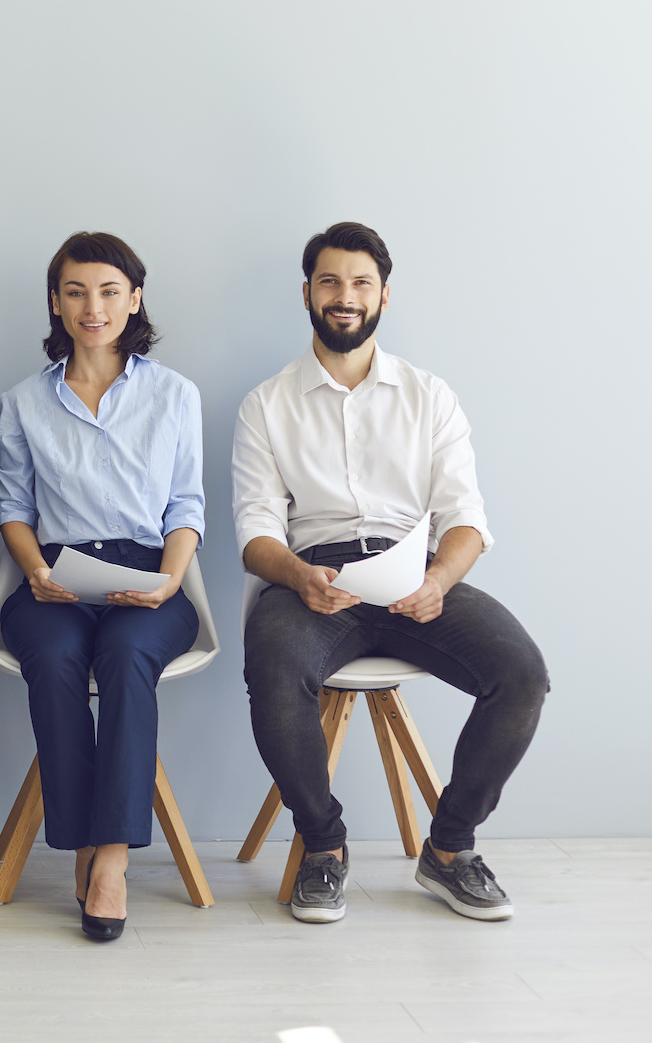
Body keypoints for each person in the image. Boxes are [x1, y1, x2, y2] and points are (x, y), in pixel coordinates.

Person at [233, 221, 548, 924]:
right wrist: (296, 574)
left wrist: (437, 580)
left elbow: (465, 517)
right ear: (308, 294)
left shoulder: (428, 395)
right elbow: (254, 532)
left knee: (522, 672)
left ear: (382, 296)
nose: (345, 296)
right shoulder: (267, 404)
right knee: (274, 662)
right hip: (314, 583)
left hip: (415, 578)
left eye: (360, 283)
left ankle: (449, 849)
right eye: (330, 282)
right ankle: (324, 847)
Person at [0, 232, 204, 942]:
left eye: (110, 290)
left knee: (122, 659)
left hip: (149, 573)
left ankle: (107, 859)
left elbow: (185, 508)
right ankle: (80, 843)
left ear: (134, 298)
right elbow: (13, 509)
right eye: (76, 291)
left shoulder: (175, 395)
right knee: (52, 660)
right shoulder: (23, 400)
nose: (93, 306)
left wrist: (171, 579)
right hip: (56, 574)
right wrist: (36, 571)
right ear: (56, 302)